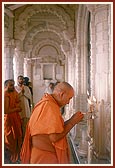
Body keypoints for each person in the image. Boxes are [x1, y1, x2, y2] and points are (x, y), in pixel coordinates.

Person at [20, 82, 84, 164]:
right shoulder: (50, 106)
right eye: (69, 98)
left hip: (40, 154)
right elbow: (54, 137)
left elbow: (57, 128)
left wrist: (72, 119)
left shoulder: (48, 103)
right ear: (61, 94)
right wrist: (72, 122)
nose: (68, 102)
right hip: (44, 157)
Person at [4, 79, 22, 163]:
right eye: (10, 85)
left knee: (18, 136)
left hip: (15, 117)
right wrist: (17, 108)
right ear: (6, 86)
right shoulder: (5, 94)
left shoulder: (13, 92)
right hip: (9, 119)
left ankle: (18, 155)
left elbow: (18, 100)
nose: (12, 87)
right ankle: (12, 157)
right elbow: (6, 111)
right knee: (11, 138)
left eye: (13, 85)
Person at [15, 75, 32, 140]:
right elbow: (15, 97)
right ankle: (19, 137)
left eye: (22, 79)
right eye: (20, 79)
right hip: (18, 106)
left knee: (25, 122)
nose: (21, 81)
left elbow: (30, 96)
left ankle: (25, 136)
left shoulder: (26, 88)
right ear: (17, 80)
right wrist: (20, 93)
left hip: (26, 105)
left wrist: (24, 93)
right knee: (19, 122)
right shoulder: (15, 88)